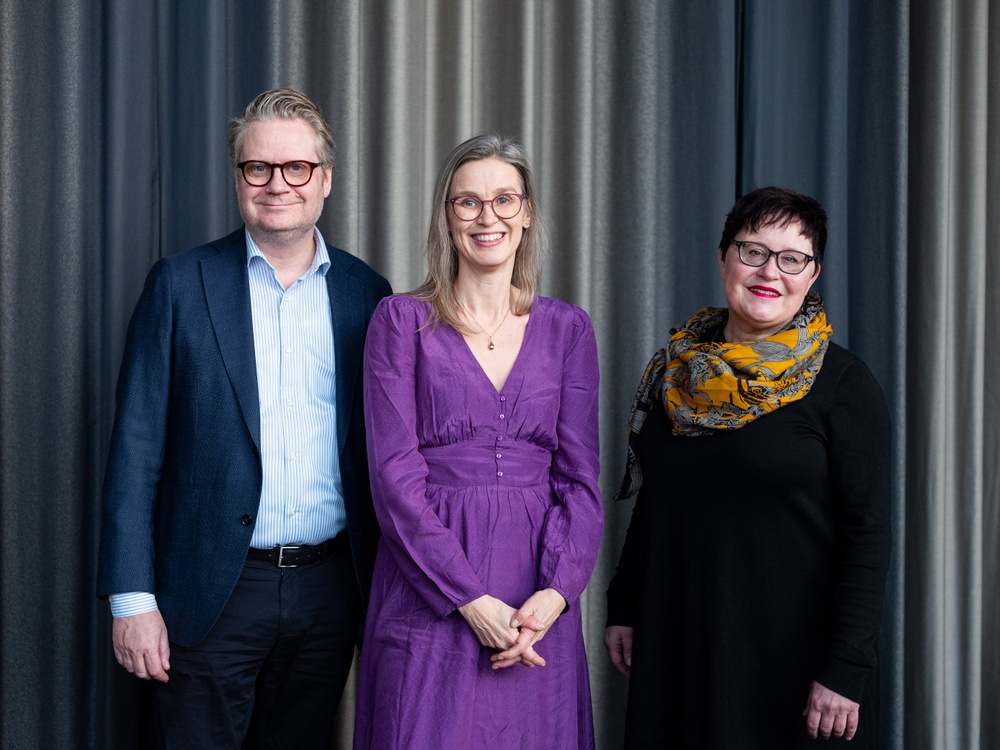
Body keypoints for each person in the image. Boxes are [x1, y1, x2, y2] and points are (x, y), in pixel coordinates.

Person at [96, 88, 391, 749]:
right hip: (209, 592)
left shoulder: (368, 296)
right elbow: (135, 453)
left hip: (328, 594)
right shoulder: (179, 284)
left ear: (326, 179)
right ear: (238, 178)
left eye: (296, 168)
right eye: (258, 167)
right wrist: (131, 600)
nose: (276, 183)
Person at [605, 186, 891, 748]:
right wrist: (625, 603)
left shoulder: (843, 385)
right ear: (723, 257)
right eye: (752, 251)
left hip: (791, 665)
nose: (770, 271)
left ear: (813, 276)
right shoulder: (674, 373)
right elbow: (655, 500)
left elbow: (870, 537)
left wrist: (845, 668)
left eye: (792, 258)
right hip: (678, 643)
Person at [353, 134, 603, 749]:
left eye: (503, 199)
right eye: (467, 202)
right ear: (446, 217)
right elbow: (392, 478)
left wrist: (556, 594)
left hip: (536, 599)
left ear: (527, 213)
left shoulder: (568, 328)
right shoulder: (400, 321)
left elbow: (580, 479)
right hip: (429, 585)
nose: (486, 216)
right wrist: (466, 596)